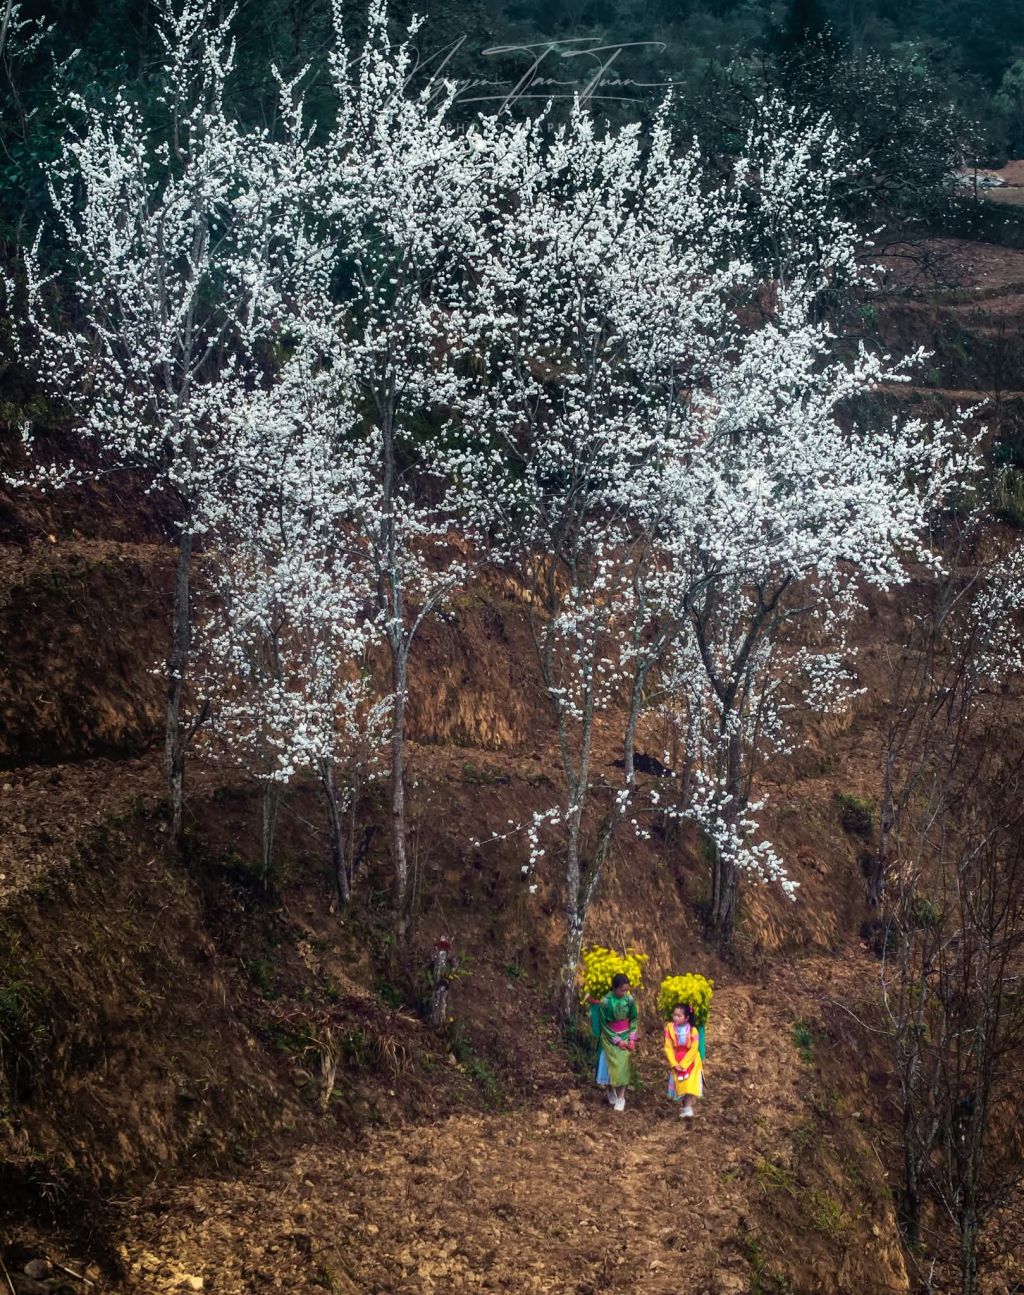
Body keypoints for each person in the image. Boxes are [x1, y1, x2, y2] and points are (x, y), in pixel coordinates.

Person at [595, 973, 638, 1112]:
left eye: (626, 990)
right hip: (610, 1038)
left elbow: (634, 1019)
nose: (624, 993)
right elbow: (604, 1025)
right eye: (622, 990)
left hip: (625, 1035)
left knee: (622, 1068)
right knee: (607, 1066)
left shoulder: (630, 1000)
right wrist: (617, 1041)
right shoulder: (605, 1002)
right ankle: (609, 1091)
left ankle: (621, 1097)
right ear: (614, 988)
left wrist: (631, 1039)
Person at [664, 1002, 703, 1119]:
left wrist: (685, 1064)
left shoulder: (693, 1031)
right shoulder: (670, 1029)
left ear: (686, 1018)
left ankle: (688, 1107)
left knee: (690, 1084)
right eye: (674, 1015)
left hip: (692, 1061)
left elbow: (694, 1048)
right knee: (681, 1084)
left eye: (679, 1016)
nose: (675, 1017)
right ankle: (685, 1106)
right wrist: (674, 1063)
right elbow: (668, 1047)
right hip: (677, 1059)